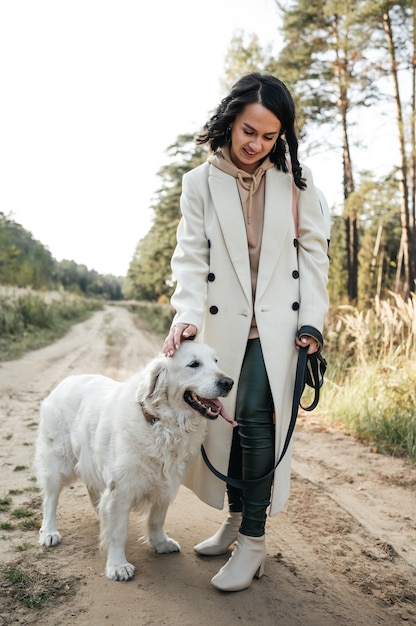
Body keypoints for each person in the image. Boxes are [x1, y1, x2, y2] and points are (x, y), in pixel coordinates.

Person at [163, 72, 329, 592]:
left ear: (282, 137)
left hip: (279, 328)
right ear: (230, 121)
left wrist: (312, 322)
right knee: (225, 422)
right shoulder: (198, 184)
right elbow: (191, 259)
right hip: (219, 326)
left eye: (270, 136)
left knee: (258, 421)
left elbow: (315, 257)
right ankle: (235, 521)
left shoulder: (297, 185)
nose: (257, 144)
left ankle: (254, 541)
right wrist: (187, 313)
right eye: (249, 131)